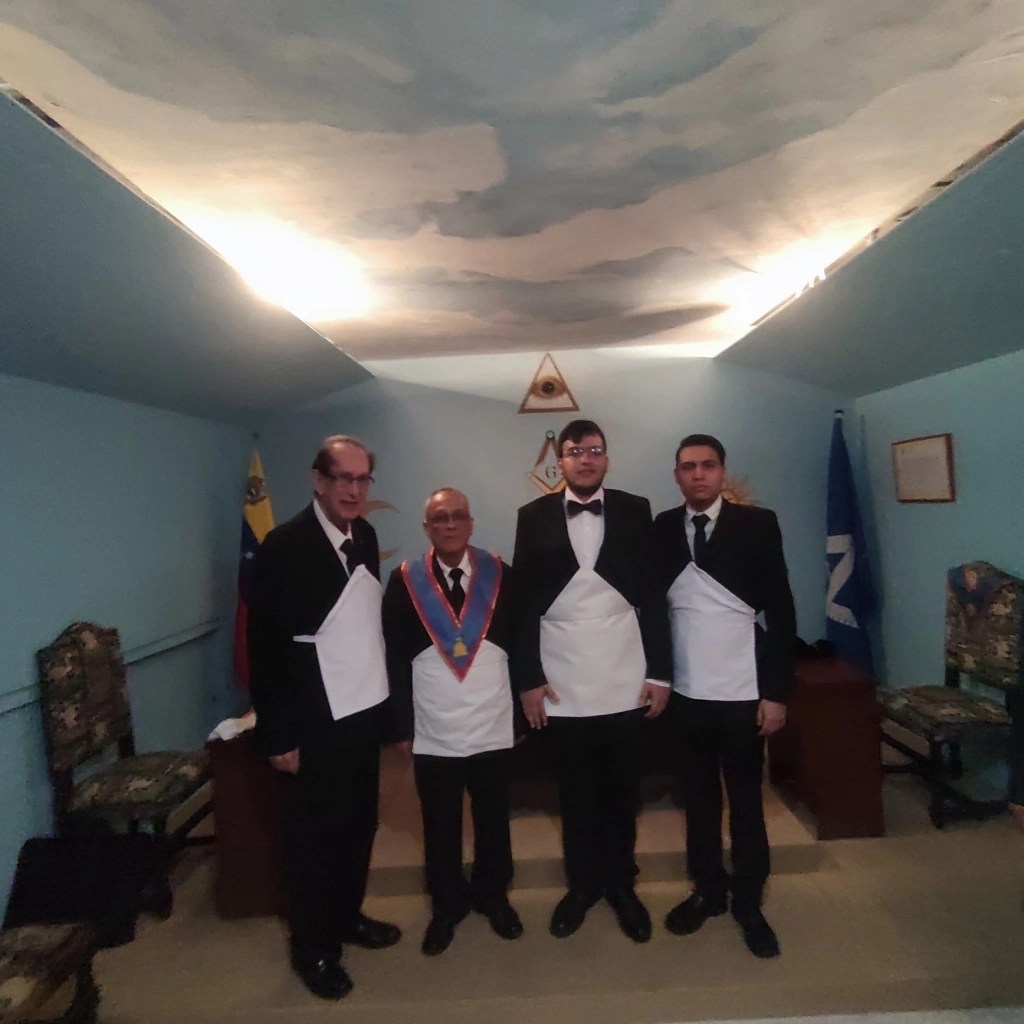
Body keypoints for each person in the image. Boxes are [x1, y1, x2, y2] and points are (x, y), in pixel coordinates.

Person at [248, 435, 400, 1001]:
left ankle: (347, 915)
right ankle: (312, 946)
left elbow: (362, 626)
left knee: (358, 824)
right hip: (310, 717)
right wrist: (278, 734)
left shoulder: (366, 536)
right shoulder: (283, 545)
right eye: (344, 479)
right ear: (319, 480)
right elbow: (264, 646)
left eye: (363, 480)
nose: (354, 490)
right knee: (312, 837)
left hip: (360, 710)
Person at [641, 433, 796, 959]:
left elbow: (781, 609)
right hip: (687, 690)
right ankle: (707, 889)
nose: (698, 474)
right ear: (677, 475)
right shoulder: (662, 527)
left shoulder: (758, 523)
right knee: (699, 798)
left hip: (743, 689)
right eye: (688, 467)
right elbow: (652, 606)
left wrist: (776, 692)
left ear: (722, 471)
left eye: (708, 465)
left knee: (746, 800)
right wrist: (658, 677)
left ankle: (749, 901)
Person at [512, 419, 668, 942]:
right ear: (560, 460)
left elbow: (652, 595)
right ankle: (581, 886)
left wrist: (660, 672)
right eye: (575, 451)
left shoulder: (635, 509)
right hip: (562, 677)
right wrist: (528, 678)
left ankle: (622, 885)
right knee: (575, 791)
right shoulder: (531, 515)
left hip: (624, 670)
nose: (585, 459)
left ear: (607, 458)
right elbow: (523, 603)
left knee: (622, 790)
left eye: (594, 450)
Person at [383, 488, 523, 956]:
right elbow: (394, 657)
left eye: (457, 515)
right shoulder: (404, 581)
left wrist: (520, 714)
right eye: (439, 518)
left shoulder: (501, 574)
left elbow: (519, 644)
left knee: (493, 817)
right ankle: (446, 906)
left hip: (492, 720)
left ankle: (493, 895)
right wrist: (401, 726)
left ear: (470, 522)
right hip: (434, 724)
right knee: (439, 821)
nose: (449, 524)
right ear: (426, 528)